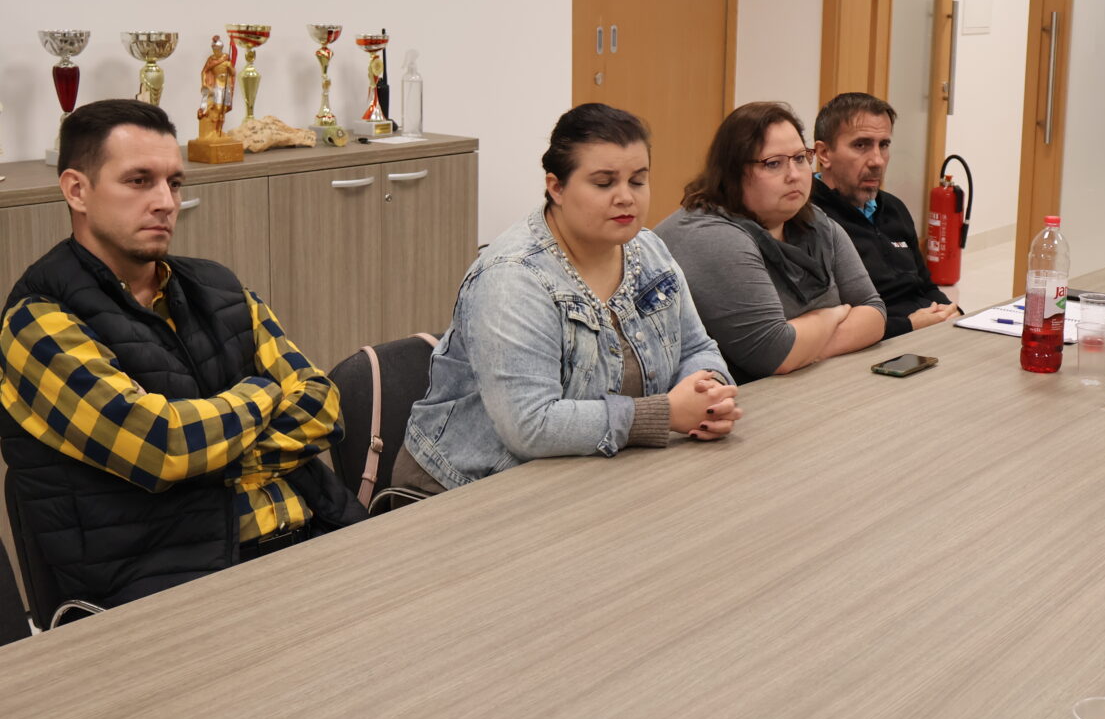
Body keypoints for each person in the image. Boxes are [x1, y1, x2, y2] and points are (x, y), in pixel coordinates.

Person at [0, 100, 363, 614]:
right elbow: (164, 445)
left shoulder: (219, 286)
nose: (165, 202)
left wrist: (212, 457)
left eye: (174, 183)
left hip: (320, 531)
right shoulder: (39, 321)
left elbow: (322, 405)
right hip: (178, 585)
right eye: (139, 181)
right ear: (77, 190)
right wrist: (263, 393)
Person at [399, 103, 740, 492]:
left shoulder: (648, 249)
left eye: (638, 181)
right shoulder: (512, 277)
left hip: (595, 475)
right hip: (469, 487)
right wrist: (666, 414)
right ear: (556, 188)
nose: (626, 197)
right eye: (604, 183)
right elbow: (531, 427)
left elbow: (697, 347)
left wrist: (708, 392)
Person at [654, 101, 886, 382]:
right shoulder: (713, 236)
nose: (794, 175)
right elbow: (773, 354)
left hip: (811, 384)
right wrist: (833, 315)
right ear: (733, 172)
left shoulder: (816, 222)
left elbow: (874, 314)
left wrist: (804, 350)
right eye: (773, 163)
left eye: (800, 158)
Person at [810, 92, 959, 338]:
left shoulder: (893, 207)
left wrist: (953, 313)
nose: (877, 160)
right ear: (824, 153)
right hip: (878, 344)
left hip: (926, 332)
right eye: (861, 145)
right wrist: (908, 325)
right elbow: (828, 328)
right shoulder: (808, 220)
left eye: (884, 145)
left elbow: (925, 285)